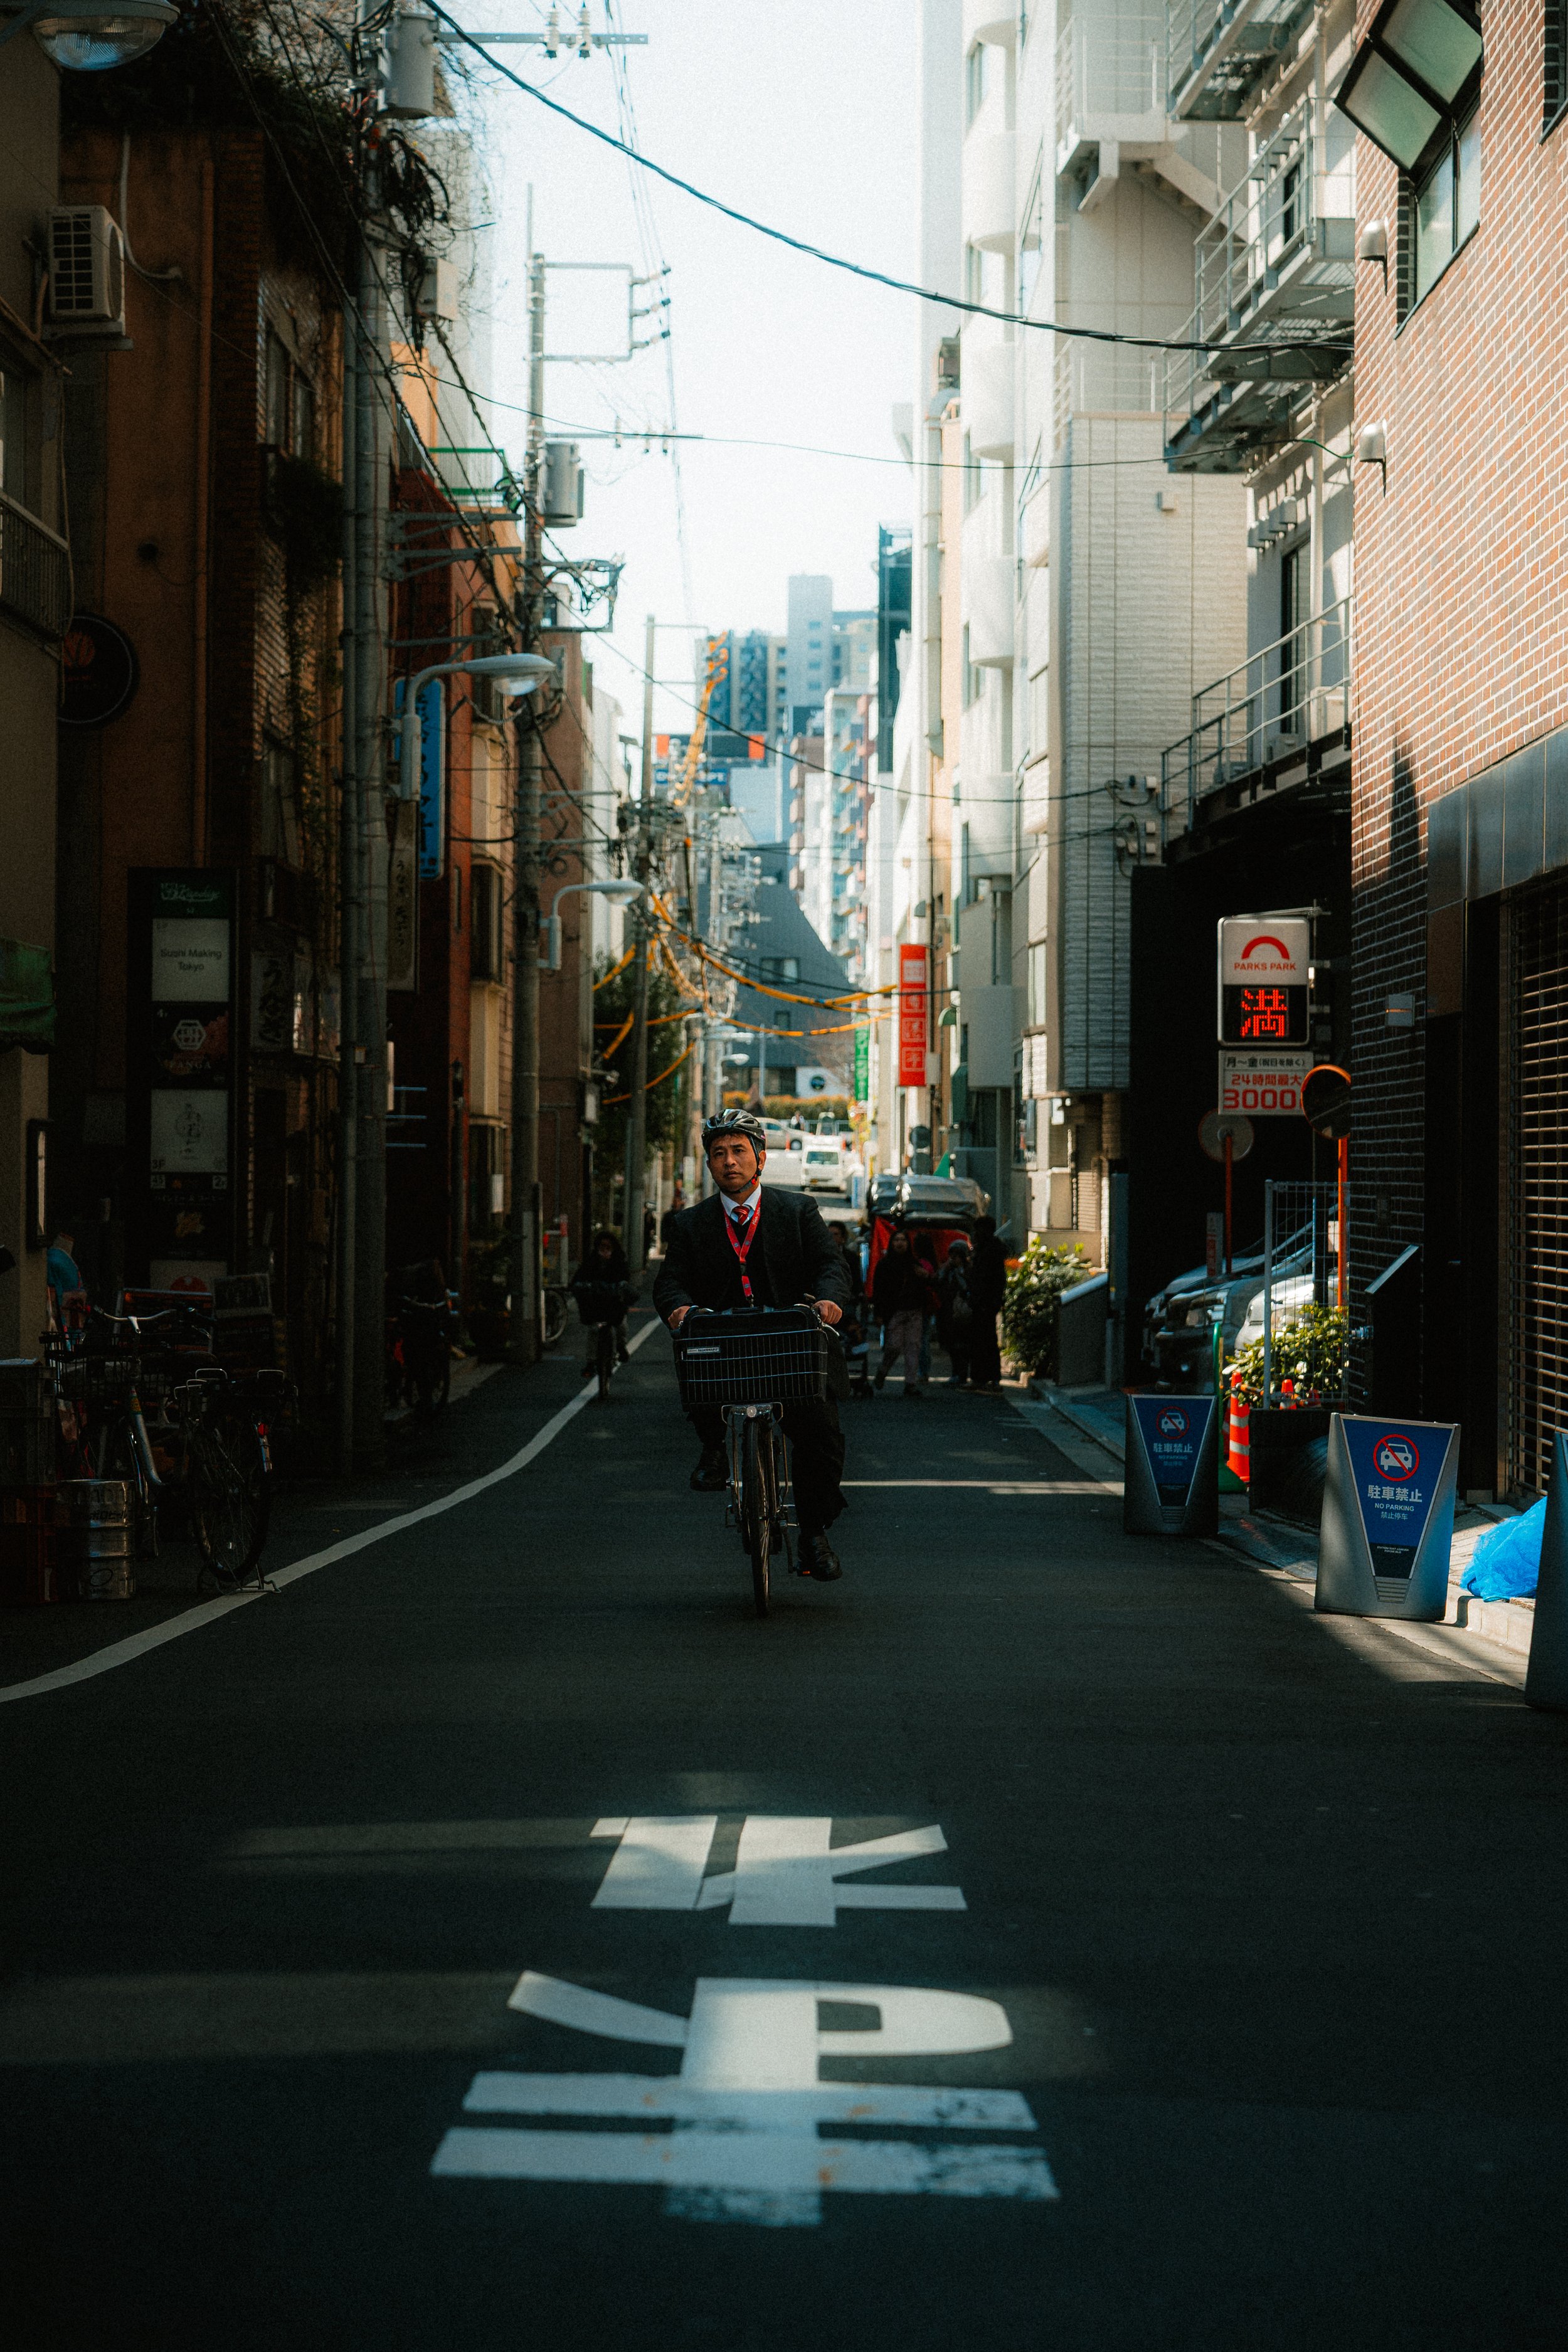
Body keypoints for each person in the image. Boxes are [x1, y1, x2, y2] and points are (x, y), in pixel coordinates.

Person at [653, 1108, 850, 1581]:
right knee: (694, 1351)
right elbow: (670, 1283)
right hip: (724, 1345)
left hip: (788, 1343)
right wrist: (679, 1308)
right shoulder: (688, 1224)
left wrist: (828, 1300)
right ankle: (713, 1449)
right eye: (718, 1153)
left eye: (739, 1151)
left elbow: (830, 1263)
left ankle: (813, 1534)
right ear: (709, 1164)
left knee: (820, 1433)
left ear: (760, 1158)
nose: (729, 1162)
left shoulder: (797, 1211)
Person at [871, 1226, 931, 1400]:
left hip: (914, 1311)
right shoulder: (885, 1265)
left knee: (913, 1347)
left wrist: (925, 1276)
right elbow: (878, 1291)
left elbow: (930, 1283)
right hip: (894, 1312)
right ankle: (883, 1371)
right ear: (892, 1243)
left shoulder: (915, 1264)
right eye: (896, 1240)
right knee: (894, 1346)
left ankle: (910, 1384)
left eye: (903, 1240)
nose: (900, 1243)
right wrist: (879, 1314)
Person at [569, 1230, 633, 1375]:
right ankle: (591, 1362)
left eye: (608, 1247)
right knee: (594, 1330)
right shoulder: (591, 1262)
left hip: (614, 1304)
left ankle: (621, 1347)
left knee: (621, 1326)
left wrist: (623, 1287)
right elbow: (579, 1277)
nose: (605, 1251)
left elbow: (626, 1278)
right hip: (596, 1305)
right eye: (602, 1247)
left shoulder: (619, 1261)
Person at [968, 1214, 1007, 1392]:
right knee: (986, 1340)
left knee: (983, 1340)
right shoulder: (990, 1248)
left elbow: (992, 1279)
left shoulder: (988, 1250)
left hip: (985, 1302)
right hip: (985, 1302)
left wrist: (987, 1300)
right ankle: (989, 1378)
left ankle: (983, 1378)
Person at [936, 1233, 977, 1386]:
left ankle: (962, 1374)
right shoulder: (949, 1270)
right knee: (953, 1345)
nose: (954, 1258)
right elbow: (939, 1281)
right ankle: (957, 1373)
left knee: (964, 1345)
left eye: (957, 1255)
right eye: (952, 1255)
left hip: (964, 1312)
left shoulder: (969, 1270)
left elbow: (969, 1287)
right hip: (950, 1311)